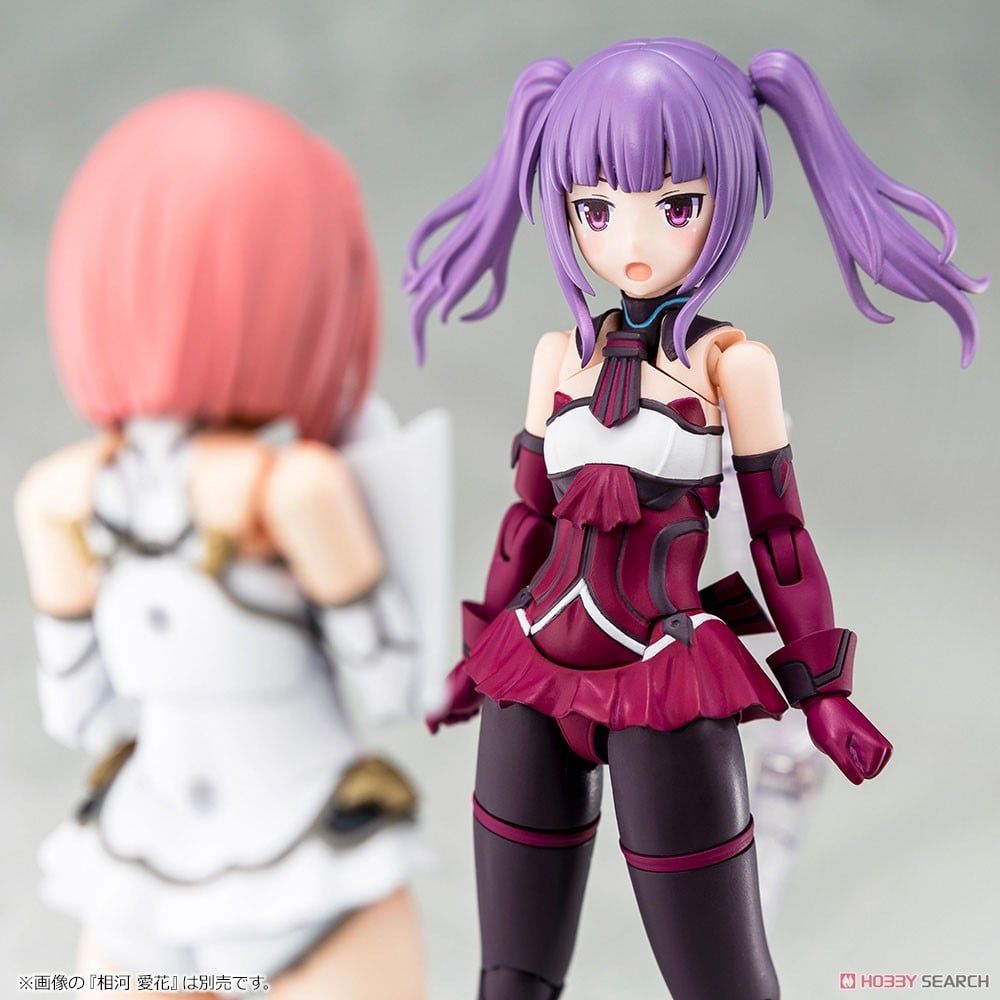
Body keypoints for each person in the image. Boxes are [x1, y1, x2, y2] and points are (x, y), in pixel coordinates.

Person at [404, 39, 984, 999]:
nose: (630, 238)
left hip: (662, 678)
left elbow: (780, 537)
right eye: (596, 208)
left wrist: (822, 690)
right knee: (509, 977)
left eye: (675, 205)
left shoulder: (731, 367)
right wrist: (476, 650)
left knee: (721, 982)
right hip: (532, 674)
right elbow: (526, 519)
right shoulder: (559, 357)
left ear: (726, 198)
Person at [16, 89, 447, 999]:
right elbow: (80, 716)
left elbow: (392, 686)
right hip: (144, 865)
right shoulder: (67, 496)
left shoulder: (294, 488)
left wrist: (303, 519)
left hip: (306, 863)